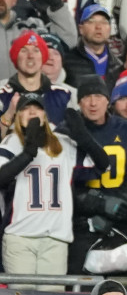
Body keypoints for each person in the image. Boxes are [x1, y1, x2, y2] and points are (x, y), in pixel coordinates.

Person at [0, 95, 108, 282]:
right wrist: (27, 153)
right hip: (20, 236)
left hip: (55, 238)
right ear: (18, 115)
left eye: (37, 108)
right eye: (25, 108)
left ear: (45, 115)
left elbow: (103, 165)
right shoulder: (10, 143)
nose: (32, 112)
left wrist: (84, 137)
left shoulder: (63, 143)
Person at [70, 74, 127, 275]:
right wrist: (100, 204)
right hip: (81, 224)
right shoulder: (67, 133)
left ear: (107, 100)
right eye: (87, 97)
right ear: (79, 102)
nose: (93, 103)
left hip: (120, 219)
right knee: (80, 287)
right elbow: (65, 184)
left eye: (98, 96)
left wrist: (115, 208)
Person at [0, 29, 73, 126]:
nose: (30, 56)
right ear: (16, 57)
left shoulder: (66, 95)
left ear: (43, 57)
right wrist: (9, 115)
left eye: (36, 50)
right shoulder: (2, 94)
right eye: (24, 50)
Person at [62, 3, 121, 86]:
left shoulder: (118, 66)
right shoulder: (66, 62)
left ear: (110, 29)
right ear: (81, 29)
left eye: (104, 22)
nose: (98, 27)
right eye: (91, 21)